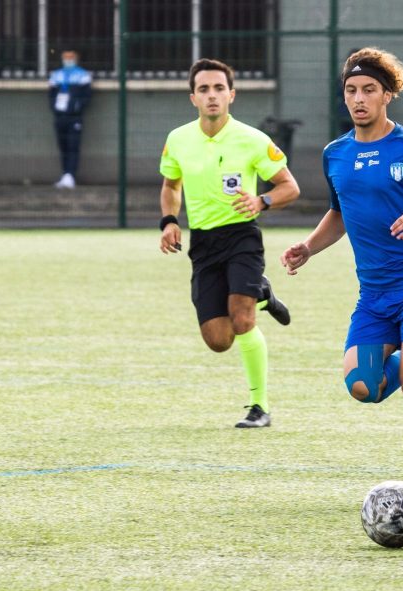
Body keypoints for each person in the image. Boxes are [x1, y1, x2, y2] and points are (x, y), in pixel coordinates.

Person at [280, 47, 403, 501]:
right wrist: (308, 248)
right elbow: (340, 212)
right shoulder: (335, 155)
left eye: (369, 89)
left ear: (387, 95)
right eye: (351, 90)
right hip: (375, 292)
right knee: (363, 387)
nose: (359, 99)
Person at [159, 58, 300, 428]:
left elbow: (290, 187)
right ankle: (263, 294)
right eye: (204, 89)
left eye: (219, 88)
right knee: (218, 339)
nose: (212, 96)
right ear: (193, 98)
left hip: (242, 236)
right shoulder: (178, 139)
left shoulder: (253, 140)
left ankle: (260, 407)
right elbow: (171, 186)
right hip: (203, 243)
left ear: (231, 95)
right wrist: (170, 221)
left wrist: (262, 200)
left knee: (242, 319)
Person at [48, 50, 92, 189]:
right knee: (63, 146)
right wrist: (55, 109)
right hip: (60, 116)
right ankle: (65, 174)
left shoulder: (82, 75)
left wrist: (76, 107)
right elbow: (51, 94)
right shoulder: (57, 75)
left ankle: (71, 174)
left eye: (70, 58)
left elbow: (86, 95)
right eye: (65, 58)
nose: (68, 60)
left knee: (73, 145)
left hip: (74, 117)